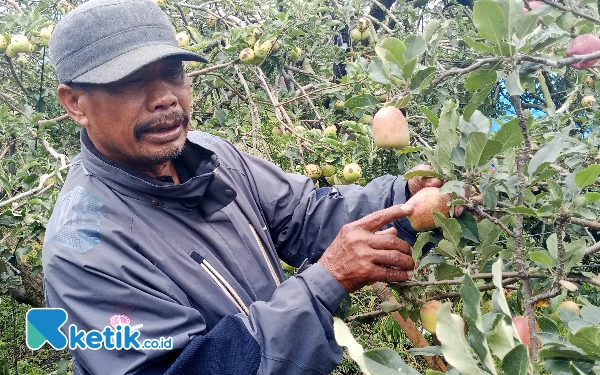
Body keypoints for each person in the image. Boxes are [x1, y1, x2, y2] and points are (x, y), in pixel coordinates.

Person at [41, 0, 446, 373]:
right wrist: (326, 281)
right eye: (131, 81)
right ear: (75, 103)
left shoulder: (213, 157)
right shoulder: (83, 250)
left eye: (173, 73)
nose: (165, 97)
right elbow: (189, 367)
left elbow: (305, 216)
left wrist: (405, 200)